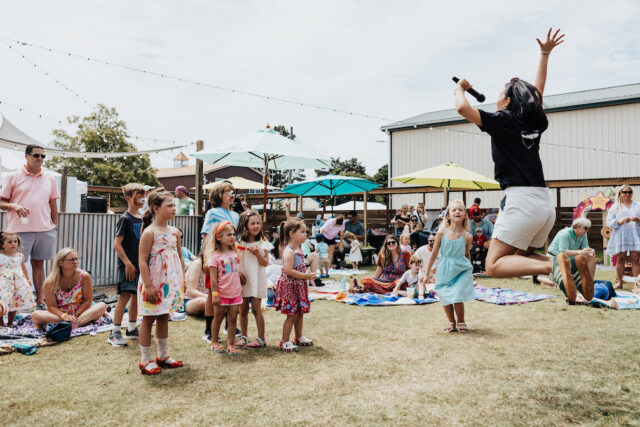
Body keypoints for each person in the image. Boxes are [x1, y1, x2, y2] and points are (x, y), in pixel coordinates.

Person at [454, 28, 564, 280]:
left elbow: (462, 107)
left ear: (506, 102)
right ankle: (565, 260)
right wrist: (544, 54)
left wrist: (460, 87)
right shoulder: (532, 121)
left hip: (522, 201)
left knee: (493, 266)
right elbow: (537, 93)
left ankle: (553, 266)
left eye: (500, 95)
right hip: (544, 203)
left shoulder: (502, 120)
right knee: (519, 258)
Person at [0, 144, 59, 309]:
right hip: (17, 231)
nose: (40, 159)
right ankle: (10, 303)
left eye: (43, 156)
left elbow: (53, 203)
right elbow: (1, 202)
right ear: (26, 156)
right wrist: (14, 206)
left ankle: (40, 301)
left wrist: (54, 224)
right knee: (13, 265)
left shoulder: (49, 178)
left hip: (45, 229)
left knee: (39, 264)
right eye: (36, 155)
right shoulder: (13, 177)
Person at [137, 189, 185, 375]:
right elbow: (142, 260)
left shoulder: (175, 232)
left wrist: (182, 279)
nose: (174, 208)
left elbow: (179, 257)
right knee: (149, 318)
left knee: (164, 316)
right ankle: (145, 359)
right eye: (170, 205)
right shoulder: (150, 232)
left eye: (174, 205)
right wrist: (148, 285)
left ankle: (163, 355)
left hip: (170, 283)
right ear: (156, 208)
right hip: (154, 282)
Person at [425, 200, 474, 333]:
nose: (457, 211)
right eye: (454, 210)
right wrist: (426, 273)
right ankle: (451, 322)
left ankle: (461, 321)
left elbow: (467, 254)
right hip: (445, 268)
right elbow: (434, 253)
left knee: (457, 294)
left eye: (460, 209)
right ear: (447, 215)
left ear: (465, 215)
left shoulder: (467, 236)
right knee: (445, 294)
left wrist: (471, 274)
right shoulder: (441, 233)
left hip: (461, 268)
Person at [31, 248, 107, 329]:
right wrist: (64, 316)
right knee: (35, 315)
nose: (75, 262)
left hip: (82, 312)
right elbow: (51, 307)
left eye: (76, 259)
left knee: (102, 306)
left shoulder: (84, 276)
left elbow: (88, 301)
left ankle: (68, 325)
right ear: (60, 263)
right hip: (61, 314)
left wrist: (74, 315)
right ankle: (77, 323)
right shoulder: (49, 282)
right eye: (71, 260)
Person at [108, 183, 145, 347]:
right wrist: (128, 264)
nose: (142, 197)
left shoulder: (143, 218)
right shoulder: (125, 219)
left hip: (139, 265)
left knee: (136, 296)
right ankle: (114, 331)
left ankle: (131, 328)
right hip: (127, 266)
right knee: (124, 296)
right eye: (138, 194)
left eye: (143, 194)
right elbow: (117, 244)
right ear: (128, 198)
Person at [274, 217, 316, 352]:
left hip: (298, 285)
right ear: (292, 234)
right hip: (290, 287)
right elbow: (288, 271)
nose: (306, 234)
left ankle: (298, 337)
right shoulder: (289, 251)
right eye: (302, 232)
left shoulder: (298, 249)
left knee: (299, 312)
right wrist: (306, 276)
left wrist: (305, 271)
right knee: (291, 314)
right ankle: (284, 341)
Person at [236, 210, 272, 350]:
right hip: (244, 279)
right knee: (243, 309)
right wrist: (238, 273)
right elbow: (236, 260)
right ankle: (243, 336)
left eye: (258, 223)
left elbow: (265, 263)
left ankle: (261, 338)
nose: (256, 226)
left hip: (257, 279)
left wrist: (257, 253)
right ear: (245, 225)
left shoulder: (263, 243)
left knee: (257, 309)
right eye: (253, 223)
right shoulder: (240, 242)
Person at [208, 221, 243, 355]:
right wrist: (215, 294)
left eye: (234, 234)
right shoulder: (215, 256)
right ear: (219, 237)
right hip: (221, 293)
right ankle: (215, 341)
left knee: (233, 319)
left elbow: (234, 270)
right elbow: (213, 278)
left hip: (235, 292)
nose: (233, 237)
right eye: (229, 234)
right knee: (218, 317)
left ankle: (230, 344)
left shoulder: (235, 253)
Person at [606, 186, 640, 288]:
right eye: (625, 192)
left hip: (635, 235)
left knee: (635, 260)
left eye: (630, 192)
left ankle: (637, 284)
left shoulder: (638, 205)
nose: (627, 194)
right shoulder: (615, 206)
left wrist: (638, 220)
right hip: (620, 235)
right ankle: (620, 282)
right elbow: (609, 222)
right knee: (620, 259)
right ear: (620, 193)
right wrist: (620, 221)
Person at [0, 232, 35, 326]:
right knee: (3, 302)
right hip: (4, 284)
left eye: (15, 241)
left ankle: (10, 322)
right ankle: (1, 322)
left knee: (14, 303)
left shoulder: (20, 256)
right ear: (2, 244)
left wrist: (28, 279)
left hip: (18, 284)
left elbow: (24, 269)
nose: (13, 244)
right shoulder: (1, 257)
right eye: (10, 242)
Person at [184, 248, 209, 317]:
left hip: (211, 299)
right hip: (190, 300)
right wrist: (211, 298)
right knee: (202, 302)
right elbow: (192, 291)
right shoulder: (198, 263)